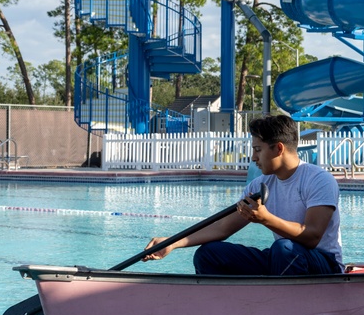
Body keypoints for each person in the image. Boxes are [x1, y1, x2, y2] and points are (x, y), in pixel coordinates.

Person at [143, 115, 343, 275]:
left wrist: (266, 219)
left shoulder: (319, 180)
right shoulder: (258, 185)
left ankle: (280, 309)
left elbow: (312, 236)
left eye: (258, 149)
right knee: (208, 254)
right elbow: (222, 227)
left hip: (323, 263)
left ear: (279, 148)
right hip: (283, 258)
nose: (253, 157)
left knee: (284, 249)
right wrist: (172, 243)